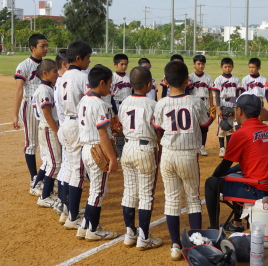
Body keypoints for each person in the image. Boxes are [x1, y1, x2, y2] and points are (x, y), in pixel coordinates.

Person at [152, 61, 213, 260]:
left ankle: (175, 245)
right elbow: (205, 124)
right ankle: (195, 246)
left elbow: (158, 129)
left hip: (168, 153)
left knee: (172, 200)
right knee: (193, 200)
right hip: (188, 154)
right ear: (188, 80)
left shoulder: (161, 103)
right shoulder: (195, 102)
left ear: (166, 82)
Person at [205, 93, 268, 232]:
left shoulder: (241, 133)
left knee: (211, 183)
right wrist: (230, 171)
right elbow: (250, 162)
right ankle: (236, 223)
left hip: (257, 191)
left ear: (239, 111)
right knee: (237, 174)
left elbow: (224, 165)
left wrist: (216, 175)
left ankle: (213, 229)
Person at [118, 66, 163, 250]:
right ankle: (144, 237)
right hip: (145, 149)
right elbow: (159, 131)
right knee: (146, 194)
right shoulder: (152, 105)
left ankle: (130, 233)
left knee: (129, 191)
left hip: (127, 147)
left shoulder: (124, 103)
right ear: (148, 84)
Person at [75, 64, 119, 241]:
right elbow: (102, 134)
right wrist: (112, 158)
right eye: (109, 84)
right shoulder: (100, 104)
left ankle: (85, 226)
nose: (110, 87)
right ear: (101, 83)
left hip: (86, 148)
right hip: (97, 149)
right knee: (98, 191)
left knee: (96, 189)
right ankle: (94, 230)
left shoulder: (83, 100)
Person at [58, 40, 92, 230]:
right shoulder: (81, 76)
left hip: (66, 124)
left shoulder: (63, 76)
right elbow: (90, 99)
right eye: (87, 58)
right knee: (78, 172)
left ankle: (66, 211)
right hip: (78, 124)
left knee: (71, 169)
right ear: (78, 58)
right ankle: (73, 216)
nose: (88, 62)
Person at [13, 34, 48, 192]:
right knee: (31, 143)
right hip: (29, 106)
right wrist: (15, 115)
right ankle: (34, 179)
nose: (46, 48)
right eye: (42, 46)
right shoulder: (24, 65)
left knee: (47, 141)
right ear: (32, 47)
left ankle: (47, 176)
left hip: (46, 105)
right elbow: (19, 90)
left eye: (47, 45)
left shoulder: (48, 64)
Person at [32, 59, 62, 208]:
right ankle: (44, 196)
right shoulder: (44, 90)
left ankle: (47, 193)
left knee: (54, 163)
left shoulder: (48, 88)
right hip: (48, 128)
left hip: (49, 127)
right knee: (54, 163)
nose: (57, 74)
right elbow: (48, 115)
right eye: (55, 71)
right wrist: (58, 133)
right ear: (45, 73)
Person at [53, 49, 71, 223]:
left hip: (64, 127)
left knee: (66, 168)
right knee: (71, 170)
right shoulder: (65, 81)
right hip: (69, 127)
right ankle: (66, 207)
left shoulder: (59, 82)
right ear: (64, 64)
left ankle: (62, 203)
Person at [211, 57, 242, 158]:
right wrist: (218, 108)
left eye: (229, 66)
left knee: (230, 127)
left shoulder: (236, 79)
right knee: (222, 127)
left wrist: (235, 107)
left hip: (232, 104)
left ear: (232, 67)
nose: (227, 68)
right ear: (221, 67)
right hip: (223, 103)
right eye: (225, 67)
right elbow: (217, 94)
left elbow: (237, 95)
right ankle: (221, 148)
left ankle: (228, 148)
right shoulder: (219, 79)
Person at [189, 54, 214, 156]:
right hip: (193, 102)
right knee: (193, 125)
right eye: (198, 64)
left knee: (204, 126)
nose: (201, 66)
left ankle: (202, 146)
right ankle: (194, 146)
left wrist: (212, 106)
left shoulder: (208, 77)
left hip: (204, 102)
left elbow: (210, 93)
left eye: (202, 64)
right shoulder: (190, 77)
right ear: (194, 64)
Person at [110, 54, 132, 159]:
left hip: (128, 105)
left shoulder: (129, 77)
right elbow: (110, 96)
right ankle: (119, 152)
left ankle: (126, 151)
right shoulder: (113, 77)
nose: (124, 66)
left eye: (126, 64)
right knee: (117, 130)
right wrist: (115, 112)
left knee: (127, 129)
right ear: (115, 65)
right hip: (117, 104)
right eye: (121, 64)